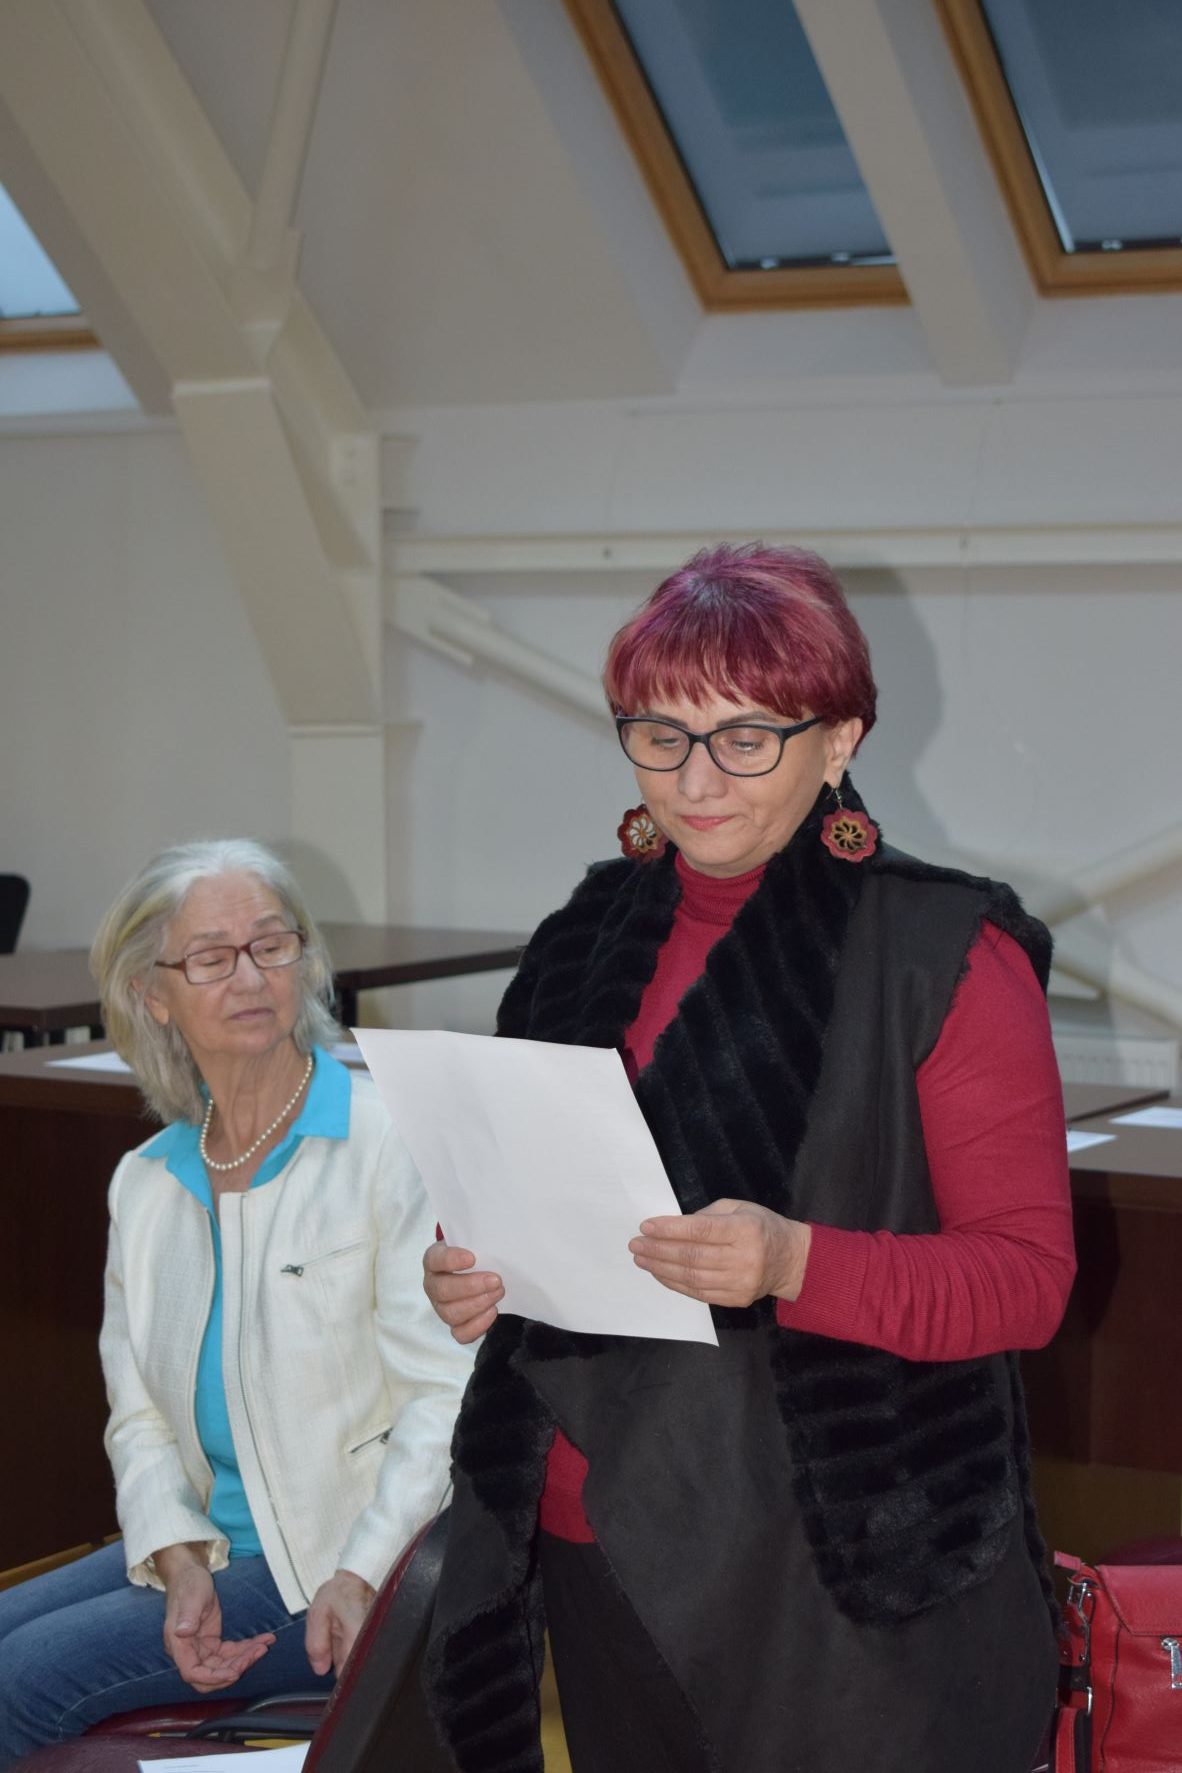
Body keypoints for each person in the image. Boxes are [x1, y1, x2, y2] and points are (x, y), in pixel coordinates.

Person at [421, 544, 1076, 1773]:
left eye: (744, 737)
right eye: (659, 735)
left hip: (838, 1576)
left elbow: (1026, 1282)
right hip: (596, 1531)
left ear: (839, 741)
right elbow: (526, 1197)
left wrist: (794, 1262)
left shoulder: (943, 951)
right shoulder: (581, 935)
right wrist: (469, 1271)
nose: (695, 779)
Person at [0, 840, 474, 1766]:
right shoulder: (146, 1180)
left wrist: (362, 1570)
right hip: (216, 1547)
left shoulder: (388, 1143)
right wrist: (175, 1555)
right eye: (212, 957)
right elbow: (137, 1415)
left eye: (271, 944)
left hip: (336, 1561)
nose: (251, 976)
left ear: (306, 957)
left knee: (22, 1678)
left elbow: (445, 1396)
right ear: (153, 993)